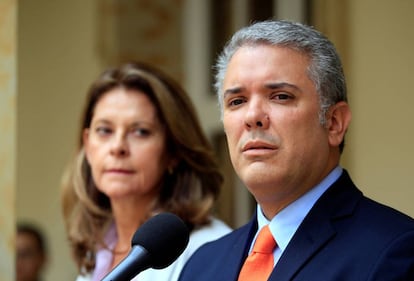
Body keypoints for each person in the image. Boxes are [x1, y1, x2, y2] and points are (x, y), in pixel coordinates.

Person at [178, 20, 414, 281]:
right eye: (237, 101)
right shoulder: (201, 265)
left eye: (280, 96)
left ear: (334, 122)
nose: (253, 116)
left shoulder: (396, 251)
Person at [60, 62, 231, 281]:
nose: (118, 147)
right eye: (105, 130)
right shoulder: (99, 248)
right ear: (87, 144)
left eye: (140, 131)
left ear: (173, 151)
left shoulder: (211, 248)